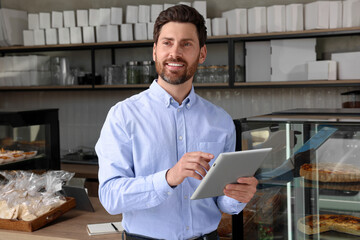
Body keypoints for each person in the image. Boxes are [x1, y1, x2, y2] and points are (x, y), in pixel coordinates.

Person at [95, 4, 258, 240]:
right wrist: (169, 177)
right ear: (154, 51)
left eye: (186, 44)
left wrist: (238, 195)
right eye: (167, 43)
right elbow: (110, 197)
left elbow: (223, 203)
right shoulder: (123, 115)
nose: (175, 53)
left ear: (201, 53)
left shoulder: (220, 120)